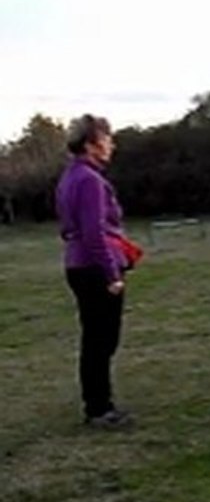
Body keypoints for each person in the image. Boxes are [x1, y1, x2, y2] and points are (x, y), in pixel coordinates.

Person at [56, 115, 141, 428]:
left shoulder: (70, 176)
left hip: (78, 265)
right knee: (101, 340)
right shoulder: (90, 181)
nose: (112, 144)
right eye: (107, 139)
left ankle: (97, 404)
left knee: (95, 338)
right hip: (94, 267)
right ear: (91, 145)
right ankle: (99, 409)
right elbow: (92, 232)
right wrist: (112, 274)